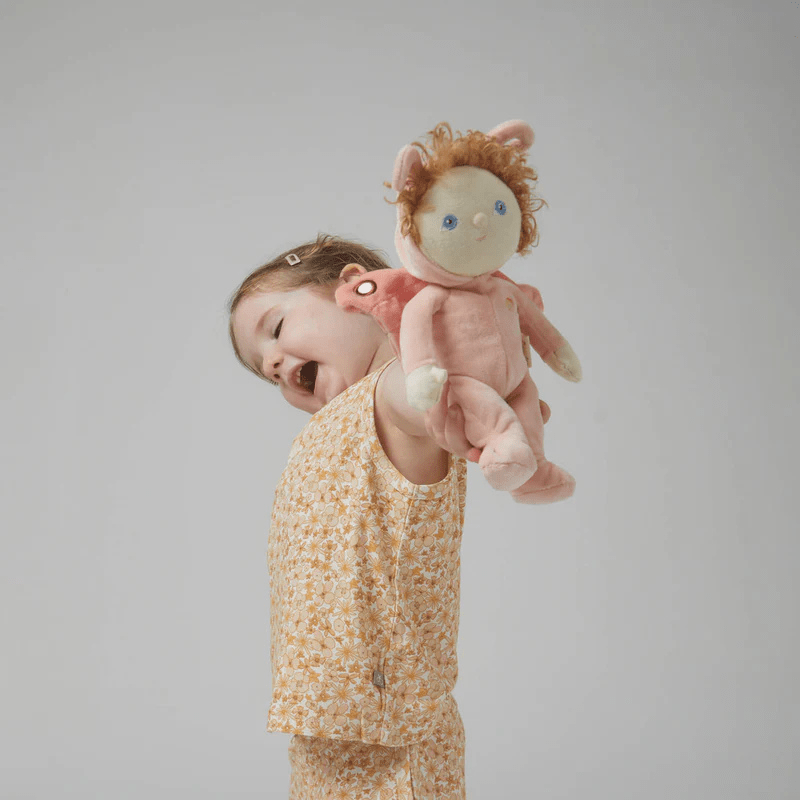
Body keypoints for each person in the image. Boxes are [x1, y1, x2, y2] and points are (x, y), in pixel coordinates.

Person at [228, 234, 550, 799]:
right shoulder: (331, 426)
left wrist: (454, 355)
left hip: (391, 720)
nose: (273, 363)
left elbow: (424, 394)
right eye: (265, 371)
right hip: (323, 715)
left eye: (275, 328)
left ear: (356, 290)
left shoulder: (393, 398)